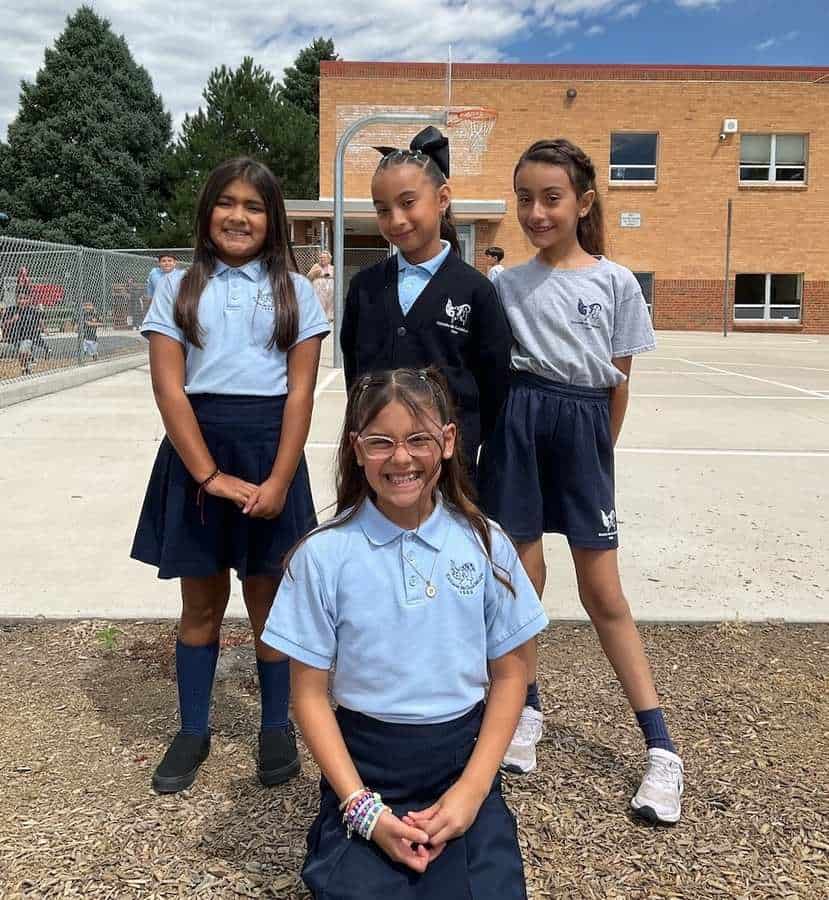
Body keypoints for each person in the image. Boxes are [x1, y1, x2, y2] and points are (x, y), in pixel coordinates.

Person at [262, 367, 548, 899]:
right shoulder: (323, 556)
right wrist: (362, 809)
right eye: (381, 442)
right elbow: (308, 695)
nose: (400, 458)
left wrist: (472, 790)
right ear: (356, 448)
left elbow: (511, 676)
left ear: (447, 442)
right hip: (366, 767)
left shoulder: (487, 545)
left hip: (461, 760)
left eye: (418, 439)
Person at [478, 139, 684, 825]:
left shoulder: (615, 282)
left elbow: (617, 384)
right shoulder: (505, 285)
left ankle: (660, 750)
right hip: (518, 426)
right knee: (521, 583)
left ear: (583, 202)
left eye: (551, 197)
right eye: (525, 198)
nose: (536, 212)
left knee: (604, 595)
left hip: (583, 430)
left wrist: (599, 455)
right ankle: (526, 709)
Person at [130, 157, 330, 795]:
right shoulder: (178, 288)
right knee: (201, 602)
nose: (238, 216)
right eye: (226, 203)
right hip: (197, 457)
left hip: (271, 452)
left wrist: (278, 479)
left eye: (254, 206)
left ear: (273, 219)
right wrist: (207, 475)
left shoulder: (297, 293)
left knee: (271, 601)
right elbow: (169, 388)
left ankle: (277, 725)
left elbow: (300, 394)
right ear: (206, 211)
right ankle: (193, 728)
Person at [340, 126, 511, 481]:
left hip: (449, 466)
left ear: (442, 198)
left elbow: (494, 386)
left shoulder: (475, 290)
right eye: (382, 209)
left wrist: (464, 441)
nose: (396, 220)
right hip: (380, 464)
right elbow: (354, 373)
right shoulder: (365, 287)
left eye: (407, 203)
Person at [307, 250, 334, 321]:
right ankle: (319, 318)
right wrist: (315, 273)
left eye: (324, 258)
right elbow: (308, 276)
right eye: (321, 257)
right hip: (319, 289)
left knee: (329, 303)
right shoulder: (316, 266)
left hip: (330, 289)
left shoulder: (332, 267)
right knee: (320, 303)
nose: (322, 259)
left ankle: (328, 318)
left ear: (329, 259)